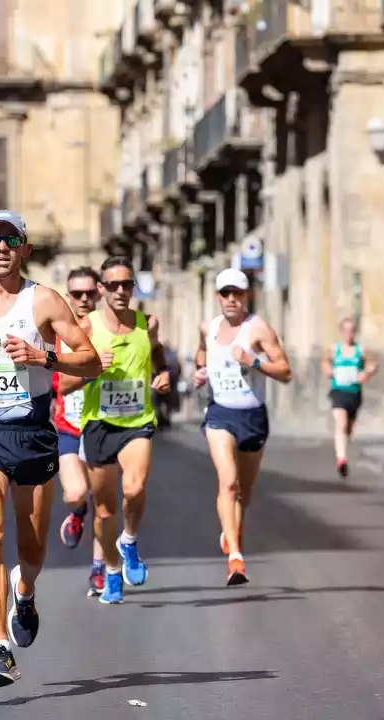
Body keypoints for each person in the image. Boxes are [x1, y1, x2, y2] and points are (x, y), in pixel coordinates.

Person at [0, 209, 101, 689]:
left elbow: (90, 361)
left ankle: (24, 590)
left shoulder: (43, 301)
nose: (3, 247)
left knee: (31, 548)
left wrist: (43, 356)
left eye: (12, 240)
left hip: (31, 433)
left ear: (25, 249)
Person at [61, 256, 170, 605]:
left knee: (135, 487)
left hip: (137, 421)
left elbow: (157, 352)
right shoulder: (86, 328)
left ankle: (130, 541)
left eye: (127, 284)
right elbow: (63, 384)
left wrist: (162, 373)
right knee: (105, 511)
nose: (120, 291)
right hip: (98, 425)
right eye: (113, 285)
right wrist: (91, 368)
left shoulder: (147, 324)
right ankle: (110, 569)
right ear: (102, 289)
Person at [193, 269, 292, 586]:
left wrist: (254, 362)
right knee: (229, 482)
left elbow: (286, 371)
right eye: (226, 293)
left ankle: (232, 528)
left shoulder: (258, 329)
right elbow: (201, 353)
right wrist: (200, 371)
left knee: (244, 495)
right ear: (218, 296)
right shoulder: (208, 327)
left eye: (237, 293)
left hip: (252, 416)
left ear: (247, 295)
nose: (231, 299)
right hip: (219, 413)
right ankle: (235, 558)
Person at [52, 266, 109, 596]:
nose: (84, 299)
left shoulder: (110, 332)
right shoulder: (58, 336)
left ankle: (98, 568)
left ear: (99, 293)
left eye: (90, 293)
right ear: (68, 296)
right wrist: (92, 369)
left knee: (104, 504)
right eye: (77, 294)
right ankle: (77, 511)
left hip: (104, 427)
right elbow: (59, 384)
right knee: (76, 493)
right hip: (68, 426)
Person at [321, 318, 378, 477]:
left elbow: (373, 364)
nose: (348, 333)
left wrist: (366, 373)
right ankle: (341, 459)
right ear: (341, 332)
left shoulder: (361, 350)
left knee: (348, 428)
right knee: (341, 422)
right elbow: (325, 362)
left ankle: (343, 448)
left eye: (351, 330)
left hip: (354, 392)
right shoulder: (334, 349)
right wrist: (328, 371)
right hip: (338, 390)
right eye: (345, 330)